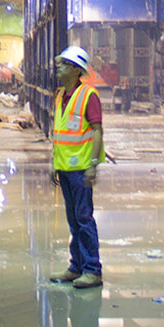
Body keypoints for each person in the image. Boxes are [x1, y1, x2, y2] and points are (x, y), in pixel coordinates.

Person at [49, 45, 105, 289]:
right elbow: (60, 132)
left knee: (84, 219)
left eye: (63, 64)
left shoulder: (88, 95)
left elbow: (96, 130)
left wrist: (93, 164)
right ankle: (76, 267)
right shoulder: (61, 95)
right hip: (64, 167)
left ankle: (92, 270)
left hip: (81, 168)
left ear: (74, 69)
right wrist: (54, 163)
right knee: (73, 220)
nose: (58, 68)